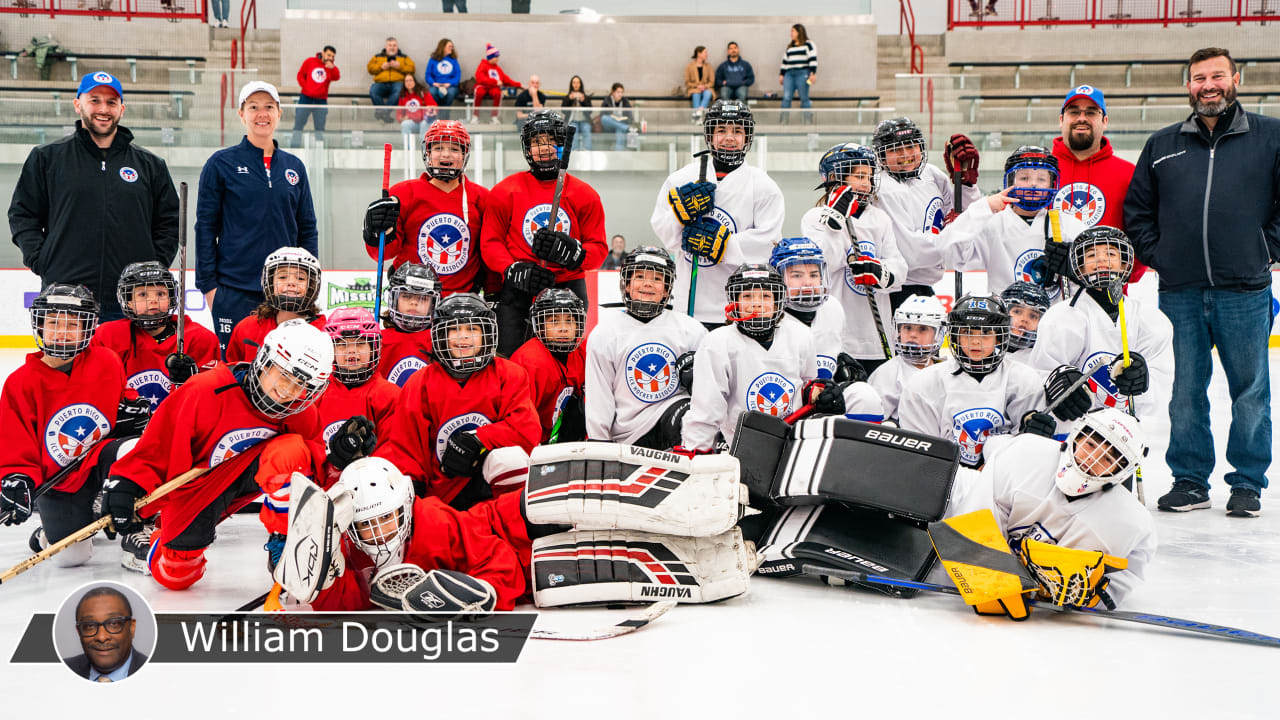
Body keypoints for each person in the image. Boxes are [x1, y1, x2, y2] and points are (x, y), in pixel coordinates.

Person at [1124, 47, 1279, 517]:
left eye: (1216, 76)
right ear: (1188, 86)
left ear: (1236, 79)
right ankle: (1190, 481)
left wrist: (1265, 251)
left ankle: (1248, 482)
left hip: (1245, 290)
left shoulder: (1271, 137)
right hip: (1180, 291)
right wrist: (1162, 257)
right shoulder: (1163, 143)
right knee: (1185, 392)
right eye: (1198, 78)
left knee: (1249, 389)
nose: (1208, 86)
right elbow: (1137, 212)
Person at [101, 320, 357, 590]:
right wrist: (126, 487)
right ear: (264, 361)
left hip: (251, 476)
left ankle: (286, 539)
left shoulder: (299, 412)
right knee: (177, 577)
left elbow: (312, 471)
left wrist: (339, 457)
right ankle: (161, 540)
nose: (288, 391)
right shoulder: (204, 390)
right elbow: (158, 444)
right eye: (283, 376)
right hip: (200, 488)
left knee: (290, 450)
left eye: (300, 384)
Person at [0, 285, 150, 571]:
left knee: (134, 448)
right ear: (39, 326)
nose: (62, 332)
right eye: (53, 323)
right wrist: (17, 478)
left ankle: (134, 532)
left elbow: (124, 399)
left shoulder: (106, 361)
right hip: (61, 480)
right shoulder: (20, 383)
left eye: (72, 324)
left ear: (88, 329)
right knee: (72, 558)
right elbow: (14, 444)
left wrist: (134, 410)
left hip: (99, 460)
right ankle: (53, 530)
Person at [9, 71, 179, 323]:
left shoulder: (150, 165)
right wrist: (43, 261)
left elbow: (169, 223)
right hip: (66, 293)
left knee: (129, 364)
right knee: (69, 363)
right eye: (94, 100)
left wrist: (150, 267)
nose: (103, 109)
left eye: (111, 102)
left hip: (132, 298)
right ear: (78, 105)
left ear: (122, 109)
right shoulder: (47, 158)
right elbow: (23, 215)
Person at [374, 294, 540, 509]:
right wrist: (414, 492)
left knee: (512, 459)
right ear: (440, 334)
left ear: (486, 334)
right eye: (454, 330)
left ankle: (510, 516)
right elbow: (407, 447)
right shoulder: (420, 383)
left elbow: (526, 429)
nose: (463, 337)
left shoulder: (509, 374)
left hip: (490, 484)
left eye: (472, 330)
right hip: (442, 491)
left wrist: (478, 439)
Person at [981, 408, 1156, 609]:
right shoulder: (1025, 453)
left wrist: (1100, 594)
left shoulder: (1130, 522)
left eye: (1108, 459)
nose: (1093, 459)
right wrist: (990, 574)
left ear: (1121, 473)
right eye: (1090, 444)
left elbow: (1130, 571)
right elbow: (978, 510)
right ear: (1076, 436)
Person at [306, 457, 527, 612]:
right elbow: (342, 608)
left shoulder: (435, 524)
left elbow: (499, 558)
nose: (380, 534)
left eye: (386, 518)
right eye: (366, 524)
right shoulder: (345, 547)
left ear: (406, 504)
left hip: (505, 523)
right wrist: (324, 580)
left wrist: (482, 593)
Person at [195, 81, 318, 354]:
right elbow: (205, 227)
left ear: (279, 113)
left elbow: (307, 228)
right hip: (233, 290)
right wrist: (209, 288)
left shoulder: (293, 166)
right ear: (242, 114)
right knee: (238, 374)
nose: (262, 114)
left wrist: (309, 281)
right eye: (253, 107)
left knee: (286, 374)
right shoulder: (221, 163)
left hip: (286, 292)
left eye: (269, 107)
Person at [481, 110, 606, 356]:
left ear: (562, 144)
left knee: (565, 365)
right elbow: (490, 242)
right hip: (518, 290)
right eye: (537, 142)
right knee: (510, 362)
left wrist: (575, 254)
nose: (544, 148)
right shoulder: (505, 191)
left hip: (568, 288)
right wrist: (512, 268)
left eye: (551, 140)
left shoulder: (585, 194)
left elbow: (599, 249)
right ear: (527, 148)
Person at [1027, 228, 1172, 439]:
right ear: (1079, 267)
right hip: (1071, 434)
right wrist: (1056, 381)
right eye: (1092, 255)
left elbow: (1161, 387)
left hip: (1123, 436)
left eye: (1111, 254)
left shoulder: (1151, 320)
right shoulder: (1059, 317)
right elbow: (1039, 373)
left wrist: (1143, 381)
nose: (1101, 260)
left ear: (1125, 264)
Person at [652, 100, 784, 329]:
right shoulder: (682, 179)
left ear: (747, 137)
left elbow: (768, 243)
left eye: (737, 131)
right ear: (710, 135)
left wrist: (721, 244)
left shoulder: (763, 185)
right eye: (721, 130)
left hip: (739, 308)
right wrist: (679, 216)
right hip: (689, 308)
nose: (729, 137)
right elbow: (666, 235)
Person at [682, 264, 818, 452]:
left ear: (778, 302)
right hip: (741, 446)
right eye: (747, 296)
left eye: (766, 296)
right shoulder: (717, 342)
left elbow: (808, 385)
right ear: (734, 301)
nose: (756, 303)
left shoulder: (801, 336)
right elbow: (706, 410)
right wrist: (696, 452)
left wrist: (821, 393)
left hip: (793, 441)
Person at [898, 294, 1044, 469]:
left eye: (985, 333)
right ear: (955, 336)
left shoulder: (1024, 380)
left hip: (1001, 480)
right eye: (967, 332)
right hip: (944, 481)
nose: (976, 341)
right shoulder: (924, 384)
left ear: (999, 337)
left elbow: (1027, 452)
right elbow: (922, 454)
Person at [584, 247, 707, 449]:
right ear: (627, 284)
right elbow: (600, 396)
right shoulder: (605, 334)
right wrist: (600, 443)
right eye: (640, 276)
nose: (648, 283)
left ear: (667, 289)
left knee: (689, 417)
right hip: (628, 434)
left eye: (657, 279)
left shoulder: (691, 330)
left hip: (673, 417)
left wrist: (697, 381)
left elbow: (710, 396)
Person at [800, 143, 905, 373]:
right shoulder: (814, 218)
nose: (866, 184)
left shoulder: (880, 219)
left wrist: (881, 272)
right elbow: (824, 262)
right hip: (836, 337)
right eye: (859, 176)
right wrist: (835, 220)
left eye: (869, 177)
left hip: (875, 337)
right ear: (835, 177)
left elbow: (899, 267)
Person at [937, 145, 1087, 300]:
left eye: (1041, 179)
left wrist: (1075, 271)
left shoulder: (1068, 225)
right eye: (1024, 178)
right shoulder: (992, 223)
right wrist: (982, 208)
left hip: (1053, 321)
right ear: (1010, 180)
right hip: (1005, 319)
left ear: (1052, 183)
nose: (1033, 185)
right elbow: (950, 253)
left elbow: (1094, 275)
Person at [363, 121, 488, 299]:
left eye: (454, 149)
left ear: (464, 155)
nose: (446, 154)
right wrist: (375, 232)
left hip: (462, 302)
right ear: (428, 153)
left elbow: (488, 250)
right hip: (411, 300)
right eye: (438, 148)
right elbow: (382, 255)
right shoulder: (403, 193)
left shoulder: (482, 198)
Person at [870, 117, 983, 310]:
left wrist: (966, 185)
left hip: (923, 286)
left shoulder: (931, 174)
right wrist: (954, 235)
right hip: (895, 290)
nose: (905, 155)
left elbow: (965, 216)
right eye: (895, 149)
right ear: (881, 156)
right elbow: (913, 255)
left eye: (910, 146)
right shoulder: (883, 187)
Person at [768, 237, 885, 423]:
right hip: (785, 409)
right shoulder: (770, 318)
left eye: (814, 275)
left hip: (826, 401)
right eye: (797, 275)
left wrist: (841, 365)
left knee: (865, 396)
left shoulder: (833, 308)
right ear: (778, 278)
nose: (807, 283)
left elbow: (828, 355)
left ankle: (858, 451)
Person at [90, 261, 221, 411]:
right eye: (142, 294)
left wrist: (196, 378)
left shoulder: (199, 338)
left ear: (171, 299)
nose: (153, 300)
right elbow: (94, 386)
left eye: (160, 294)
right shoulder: (108, 336)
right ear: (129, 302)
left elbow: (213, 397)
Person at [224, 247, 328, 365]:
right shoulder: (247, 328)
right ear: (270, 282)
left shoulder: (324, 333)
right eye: (282, 277)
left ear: (312, 285)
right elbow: (233, 374)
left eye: (300, 278)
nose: (291, 283)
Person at [511, 289, 587, 444]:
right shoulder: (529, 360)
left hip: (558, 435)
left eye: (569, 320)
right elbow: (519, 418)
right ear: (539, 325)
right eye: (554, 321)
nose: (563, 328)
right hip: (533, 441)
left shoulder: (581, 352)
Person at [317, 308, 400, 446]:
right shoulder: (316, 392)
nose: (351, 350)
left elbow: (392, 448)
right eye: (342, 344)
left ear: (373, 348)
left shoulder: (390, 396)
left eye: (360, 343)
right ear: (331, 351)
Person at [868, 294, 947, 424]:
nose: (913, 334)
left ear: (938, 334)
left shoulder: (947, 369)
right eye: (907, 327)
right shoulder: (888, 373)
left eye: (922, 329)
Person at [377, 263, 440, 387]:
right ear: (393, 299)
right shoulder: (378, 341)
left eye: (423, 298)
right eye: (406, 296)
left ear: (433, 304)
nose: (414, 302)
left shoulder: (440, 340)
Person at [65, 587, 148, 681]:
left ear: (131, 628)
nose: (102, 637)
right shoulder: (59, 671)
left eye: (114, 623)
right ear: (79, 631)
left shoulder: (158, 673)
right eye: (89, 626)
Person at [290, 45, 339, 148]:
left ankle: (319, 148)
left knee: (320, 127)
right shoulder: (310, 61)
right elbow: (300, 75)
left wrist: (331, 68)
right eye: (329, 55)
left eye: (333, 56)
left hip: (321, 100)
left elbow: (336, 77)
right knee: (298, 123)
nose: (330, 58)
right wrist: (306, 87)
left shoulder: (331, 67)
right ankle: (294, 147)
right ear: (323, 53)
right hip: (306, 98)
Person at [1000, 280, 1050, 365]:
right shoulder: (986, 349)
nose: (1024, 319)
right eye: (1017, 312)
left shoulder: (1041, 359)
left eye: (1033, 316)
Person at [367, 38, 415, 123]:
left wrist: (399, 67)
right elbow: (370, 69)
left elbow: (412, 69)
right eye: (390, 45)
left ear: (397, 47)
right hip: (381, 83)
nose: (392, 47)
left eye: (394, 45)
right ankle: (384, 113)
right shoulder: (377, 56)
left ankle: (383, 112)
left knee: (399, 91)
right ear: (386, 47)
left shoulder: (404, 57)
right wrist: (381, 67)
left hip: (398, 82)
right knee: (373, 90)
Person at [473, 43, 520, 125]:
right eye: (496, 57)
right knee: (479, 92)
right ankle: (475, 116)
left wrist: (519, 85)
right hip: (483, 86)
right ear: (491, 57)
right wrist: (495, 82)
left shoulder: (497, 68)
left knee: (498, 93)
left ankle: (494, 117)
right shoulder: (483, 65)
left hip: (493, 88)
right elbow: (480, 78)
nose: (498, 59)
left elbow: (506, 80)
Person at [778, 24, 816, 124]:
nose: (791, 33)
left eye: (793, 31)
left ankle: (808, 122)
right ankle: (783, 122)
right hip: (789, 74)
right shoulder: (790, 47)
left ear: (799, 32)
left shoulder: (808, 44)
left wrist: (813, 73)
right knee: (786, 97)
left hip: (802, 73)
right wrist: (782, 75)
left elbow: (812, 59)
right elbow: (785, 61)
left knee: (804, 98)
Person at [425, 38, 462, 117]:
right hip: (436, 85)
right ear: (443, 47)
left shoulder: (453, 60)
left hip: (450, 85)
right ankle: (438, 111)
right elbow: (428, 74)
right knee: (432, 92)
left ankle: (444, 114)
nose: (451, 48)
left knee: (451, 93)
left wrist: (450, 83)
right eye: (449, 46)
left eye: (452, 46)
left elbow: (458, 75)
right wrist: (433, 83)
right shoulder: (433, 59)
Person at [395, 74, 437, 139]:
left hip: (424, 120)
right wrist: (402, 118)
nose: (408, 83)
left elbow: (433, 106)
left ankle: (424, 148)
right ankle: (407, 148)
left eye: (410, 80)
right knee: (405, 124)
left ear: (415, 81)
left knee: (424, 124)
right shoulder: (403, 96)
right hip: (413, 122)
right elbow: (399, 113)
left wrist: (410, 116)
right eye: (406, 81)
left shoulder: (423, 92)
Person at [598, 82, 635, 151]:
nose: (620, 94)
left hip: (620, 124)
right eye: (618, 92)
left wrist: (620, 119)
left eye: (621, 92)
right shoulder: (607, 100)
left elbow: (630, 118)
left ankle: (618, 154)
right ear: (613, 92)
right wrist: (614, 118)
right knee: (604, 118)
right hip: (609, 126)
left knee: (620, 130)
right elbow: (602, 114)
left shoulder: (625, 101)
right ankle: (626, 128)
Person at [561, 75, 593, 151]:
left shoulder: (586, 97)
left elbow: (590, 111)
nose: (576, 85)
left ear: (580, 84)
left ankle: (588, 152)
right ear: (571, 84)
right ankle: (573, 152)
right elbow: (563, 110)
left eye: (578, 83)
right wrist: (569, 99)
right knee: (573, 131)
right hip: (572, 121)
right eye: (574, 83)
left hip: (584, 121)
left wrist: (583, 101)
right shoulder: (567, 97)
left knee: (587, 130)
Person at [685, 46, 715, 121]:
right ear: (699, 54)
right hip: (694, 89)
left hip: (707, 88)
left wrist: (704, 86)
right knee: (696, 94)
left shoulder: (708, 66)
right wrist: (697, 86)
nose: (707, 54)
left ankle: (698, 113)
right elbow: (687, 82)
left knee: (708, 93)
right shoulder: (690, 66)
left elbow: (712, 81)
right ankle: (699, 117)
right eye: (705, 52)